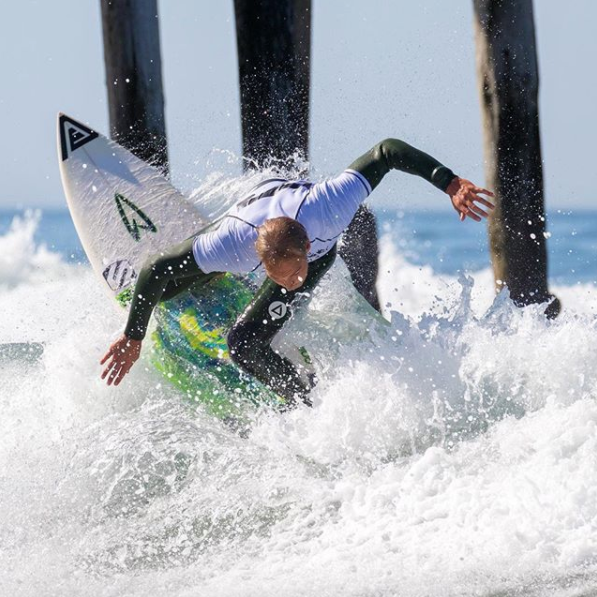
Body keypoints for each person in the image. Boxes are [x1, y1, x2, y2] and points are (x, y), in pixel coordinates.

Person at [100, 138, 494, 406]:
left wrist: (450, 182)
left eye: (293, 275)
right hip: (248, 221)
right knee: (164, 289)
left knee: (243, 343)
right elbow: (156, 268)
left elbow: (385, 152)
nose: (293, 284)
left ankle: (302, 404)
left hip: (311, 242)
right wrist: (132, 336)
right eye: (281, 278)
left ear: (306, 248)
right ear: (258, 263)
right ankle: (211, 277)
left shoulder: (329, 207)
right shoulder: (233, 244)